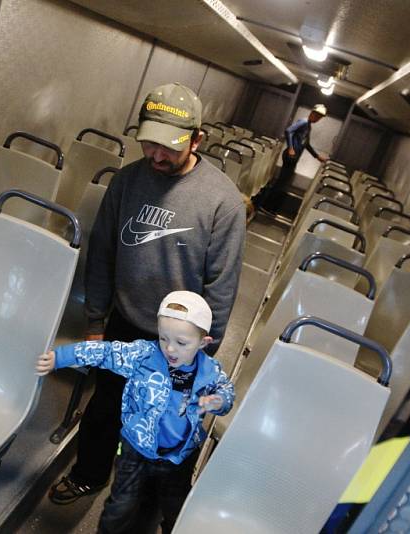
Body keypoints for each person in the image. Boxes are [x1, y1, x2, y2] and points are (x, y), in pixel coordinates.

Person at [48, 82, 245, 504]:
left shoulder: (222, 202)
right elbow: (102, 251)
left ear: (197, 140)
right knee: (104, 406)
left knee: (166, 418)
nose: (156, 156)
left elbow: (222, 285)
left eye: (169, 148)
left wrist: (202, 353)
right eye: (149, 145)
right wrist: (97, 321)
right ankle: (89, 473)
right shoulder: (127, 182)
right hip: (125, 320)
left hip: (180, 338)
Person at [36, 291, 235, 533]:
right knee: (121, 504)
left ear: (204, 343)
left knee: (176, 506)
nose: (170, 349)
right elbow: (105, 352)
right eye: (164, 338)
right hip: (135, 449)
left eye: (181, 342)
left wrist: (219, 401)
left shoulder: (210, 371)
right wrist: (61, 357)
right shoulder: (143, 355)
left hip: (179, 456)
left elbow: (226, 391)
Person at [258, 103, 329, 213]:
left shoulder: (308, 126)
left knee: (283, 183)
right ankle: (265, 206)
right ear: (312, 113)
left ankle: (268, 206)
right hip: (290, 156)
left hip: (294, 157)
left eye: (320, 118)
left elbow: (306, 144)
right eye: (317, 116)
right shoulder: (303, 122)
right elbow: (288, 131)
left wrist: (317, 157)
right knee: (281, 182)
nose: (318, 119)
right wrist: (290, 147)